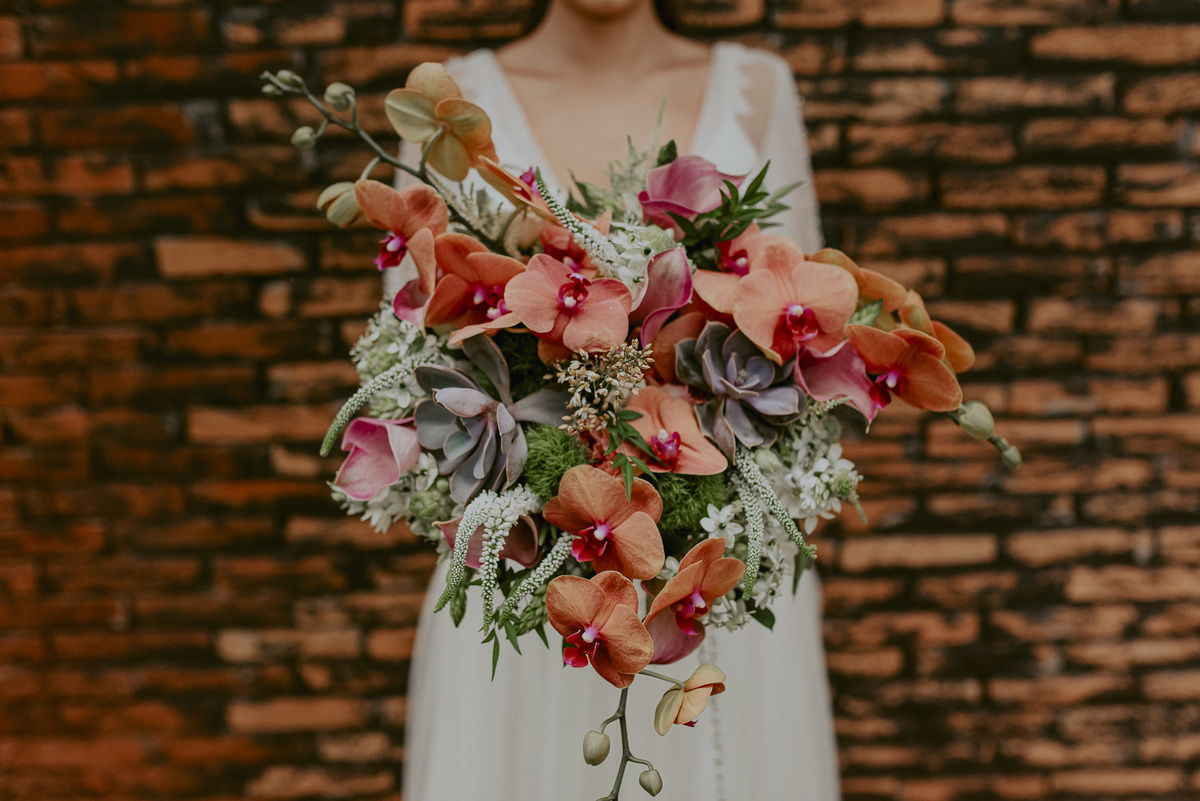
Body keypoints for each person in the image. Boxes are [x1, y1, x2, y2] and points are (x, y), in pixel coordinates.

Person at [385, 0, 839, 797]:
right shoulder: (447, 110)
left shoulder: (759, 91)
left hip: (706, 602)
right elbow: (413, 352)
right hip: (525, 592)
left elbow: (807, 350)